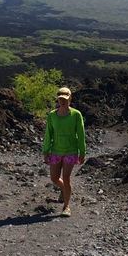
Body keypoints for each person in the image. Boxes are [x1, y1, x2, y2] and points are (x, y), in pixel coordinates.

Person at [42, 86, 86, 217]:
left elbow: (81, 134)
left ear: (70, 99)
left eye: (65, 99)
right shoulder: (52, 115)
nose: (62, 101)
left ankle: (66, 207)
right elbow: (48, 134)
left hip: (71, 151)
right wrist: (46, 151)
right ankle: (63, 189)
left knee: (66, 178)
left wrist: (82, 152)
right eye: (60, 99)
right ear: (57, 99)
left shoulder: (76, 115)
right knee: (54, 178)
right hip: (56, 151)